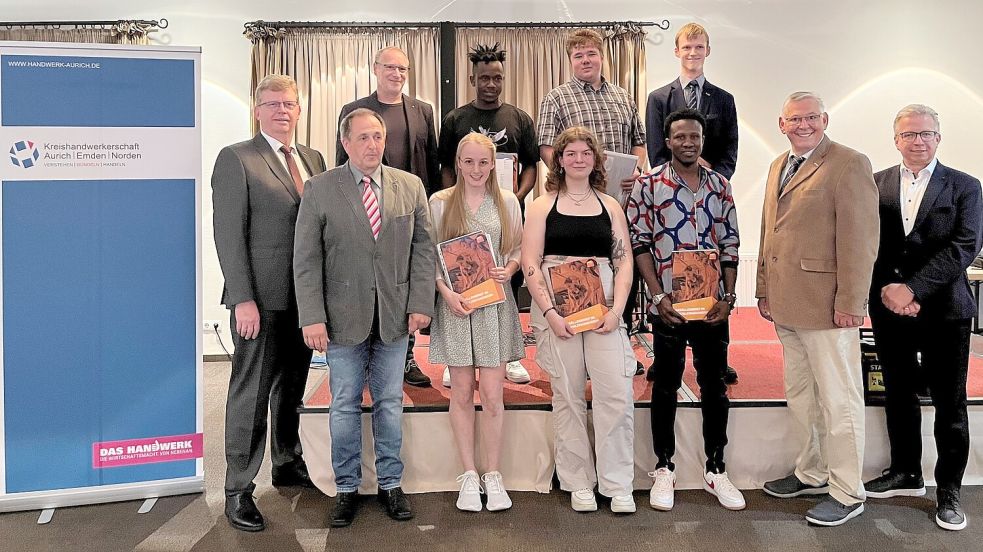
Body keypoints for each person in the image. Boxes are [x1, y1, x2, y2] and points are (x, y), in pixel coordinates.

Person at [294, 108, 436, 527]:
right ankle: (346, 488)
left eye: (378, 136)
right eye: (363, 138)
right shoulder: (319, 189)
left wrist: (421, 303)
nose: (373, 145)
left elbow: (423, 251)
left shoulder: (410, 186)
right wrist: (312, 317)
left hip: (394, 316)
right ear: (345, 142)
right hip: (340, 319)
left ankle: (392, 484)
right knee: (344, 405)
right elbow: (306, 260)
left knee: (390, 404)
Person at [756, 91, 879, 526]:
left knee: (840, 401)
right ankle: (811, 473)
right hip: (787, 306)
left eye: (811, 117)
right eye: (795, 119)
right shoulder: (777, 166)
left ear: (825, 119)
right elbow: (768, 232)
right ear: (781, 123)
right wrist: (763, 290)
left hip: (829, 308)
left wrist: (851, 302)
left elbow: (860, 242)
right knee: (802, 398)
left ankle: (848, 491)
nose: (803, 124)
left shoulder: (849, 163)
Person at [212, 74, 327, 532]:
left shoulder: (313, 158)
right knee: (250, 393)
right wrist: (242, 298)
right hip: (258, 299)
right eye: (273, 103)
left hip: (305, 299)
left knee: (292, 387)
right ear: (258, 110)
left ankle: (287, 462)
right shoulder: (237, 158)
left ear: (300, 110)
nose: (282, 110)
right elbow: (229, 234)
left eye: (290, 104)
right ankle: (238, 488)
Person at [864, 104, 982, 531]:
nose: (918, 141)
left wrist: (913, 290)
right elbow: (867, 244)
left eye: (926, 133)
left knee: (951, 402)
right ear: (895, 139)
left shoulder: (966, 186)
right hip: (890, 308)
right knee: (897, 393)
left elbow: (963, 247)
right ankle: (905, 472)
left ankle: (948, 489)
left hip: (945, 311)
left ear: (939, 137)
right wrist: (888, 292)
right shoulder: (875, 184)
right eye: (909, 134)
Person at [627, 108, 743, 512]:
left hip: (711, 308)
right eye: (680, 137)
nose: (688, 143)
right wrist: (658, 298)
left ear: (702, 139)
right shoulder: (648, 185)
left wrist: (727, 300)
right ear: (668, 140)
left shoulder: (721, 186)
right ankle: (664, 467)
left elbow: (731, 245)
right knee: (666, 384)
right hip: (669, 308)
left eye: (694, 136)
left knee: (714, 385)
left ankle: (716, 467)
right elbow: (639, 244)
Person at [521, 126, 636, 514]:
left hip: (603, 305)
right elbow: (530, 262)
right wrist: (550, 314)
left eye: (586, 152)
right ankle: (577, 481)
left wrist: (616, 309)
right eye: (570, 152)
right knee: (567, 396)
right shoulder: (541, 205)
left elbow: (623, 261)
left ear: (596, 159)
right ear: (559, 159)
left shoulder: (610, 205)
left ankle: (617, 483)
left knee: (615, 396)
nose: (578, 159)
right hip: (557, 307)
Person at [537, 28, 648, 374]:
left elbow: (639, 140)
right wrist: (573, 179)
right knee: (576, 270)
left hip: (618, 198)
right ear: (570, 61)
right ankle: (577, 347)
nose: (585, 60)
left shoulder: (623, 97)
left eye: (591, 54)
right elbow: (545, 147)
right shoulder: (557, 98)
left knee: (619, 268)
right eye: (578, 56)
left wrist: (638, 167)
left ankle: (618, 338)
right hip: (574, 201)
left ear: (602, 57)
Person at [429, 132, 525, 512]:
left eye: (483, 162)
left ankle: (493, 474)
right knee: (462, 392)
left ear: (493, 164)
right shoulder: (439, 203)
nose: (475, 169)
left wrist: (510, 269)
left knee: (492, 395)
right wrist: (446, 293)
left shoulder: (508, 202)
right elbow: (432, 258)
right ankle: (468, 474)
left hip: (494, 309)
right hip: (456, 308)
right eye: (468, 162)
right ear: (457, 163)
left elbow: (516, 247)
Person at [337, 46, 440, 387]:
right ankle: (363, 358)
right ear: (376, 69)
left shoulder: (422, 111)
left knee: (405, 285)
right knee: (367, 285)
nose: (397, 74)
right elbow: (341, 167)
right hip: (363, 214)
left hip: (406, 213)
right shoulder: (354, 111)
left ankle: (407, 357)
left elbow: (433, 164)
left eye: (403, 69)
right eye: (391, 67)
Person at [437, 42, 539, 387]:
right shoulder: (455, 119)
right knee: (461, 279)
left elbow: (531, 166)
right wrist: (457, 201)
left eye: (497, 78)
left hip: (502, 209)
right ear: (472, 79)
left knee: (504, 280)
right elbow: (447, 167)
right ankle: (458, 358)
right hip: (461, 210)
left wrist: (512, 197)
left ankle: (507, 356)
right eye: (485, 78)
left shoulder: (518, 117)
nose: (491, 84)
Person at [644, 22, 740, 384]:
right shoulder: (658, 98)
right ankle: (663, 355)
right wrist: (677, 180)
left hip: (712, 201)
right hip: (669, 204)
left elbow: (730, 151)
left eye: (699, 47)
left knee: (713, 277)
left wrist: (712, 181)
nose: (693, 53)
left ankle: (719, 354)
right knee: (668, 276)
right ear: (677, 51)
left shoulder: (723, 99)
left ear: (707, 51)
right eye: (687, 47)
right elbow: (656, 151)